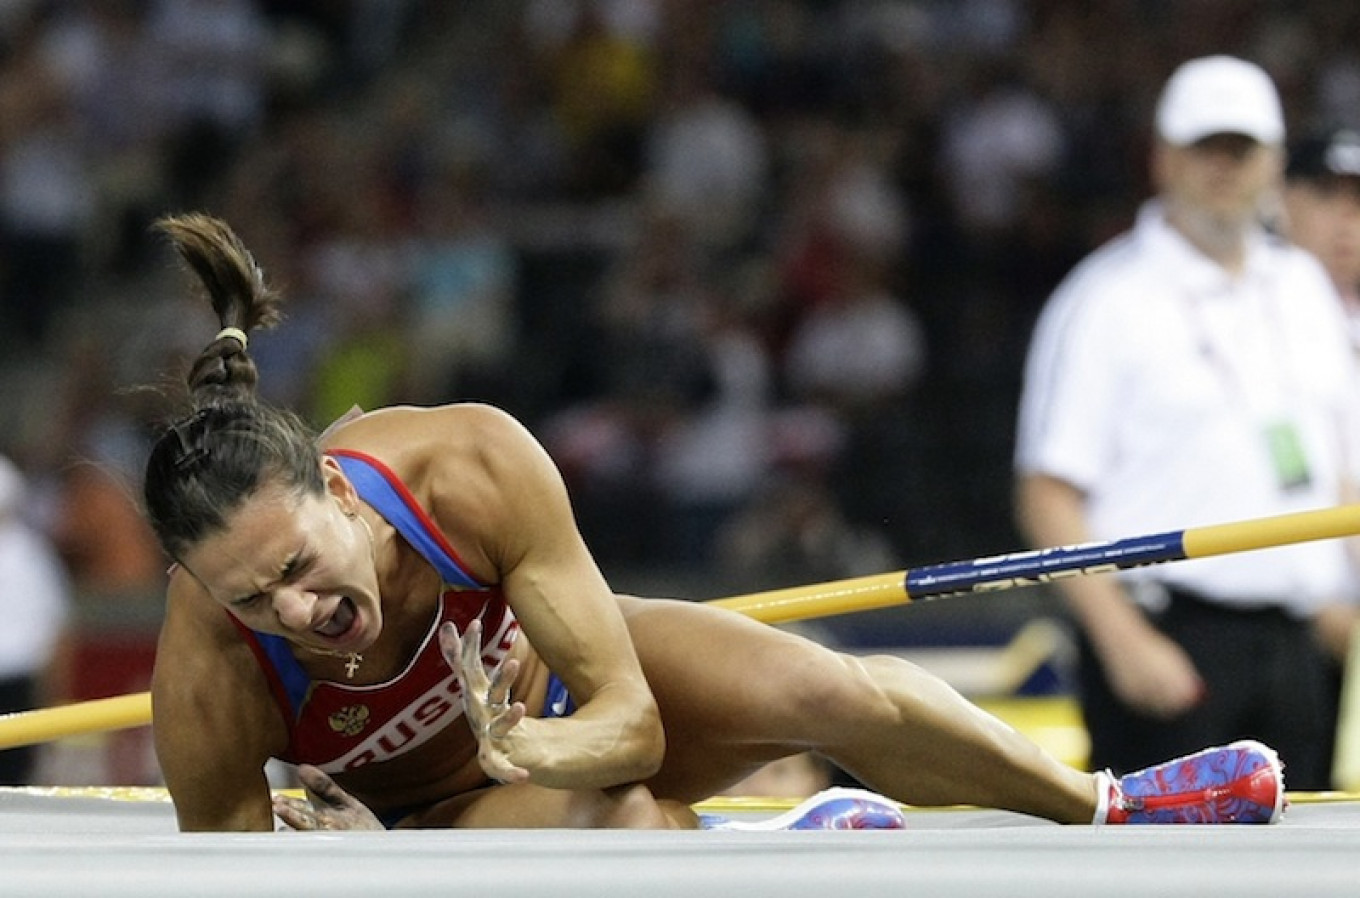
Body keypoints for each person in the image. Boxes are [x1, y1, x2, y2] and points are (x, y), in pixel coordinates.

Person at [145, 212, 1285, 834]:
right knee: (623, 823)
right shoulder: (210, 662)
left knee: (830, 691)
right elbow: (240, 872)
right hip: (440, 815)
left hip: (562, 705)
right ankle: (767, 848)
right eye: (252, 597)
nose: (294, 610)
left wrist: (533, 737)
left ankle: (1113, 802)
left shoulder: (468, 465)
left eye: (295, 566)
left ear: (342, 492)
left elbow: (628, 721)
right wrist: (355, 863)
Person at [1014, 56, 1360, 791]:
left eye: (1243, 150)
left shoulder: (1301, 287)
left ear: (1272, 163)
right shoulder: (1107, 299)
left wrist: (1339, 586)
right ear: (1163, 158)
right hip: (1169, 636)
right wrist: (1122, 637)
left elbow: (1332, 463)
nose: (1225, 168)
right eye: (1206, 147)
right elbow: (1048, 491)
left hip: (1301, 642)